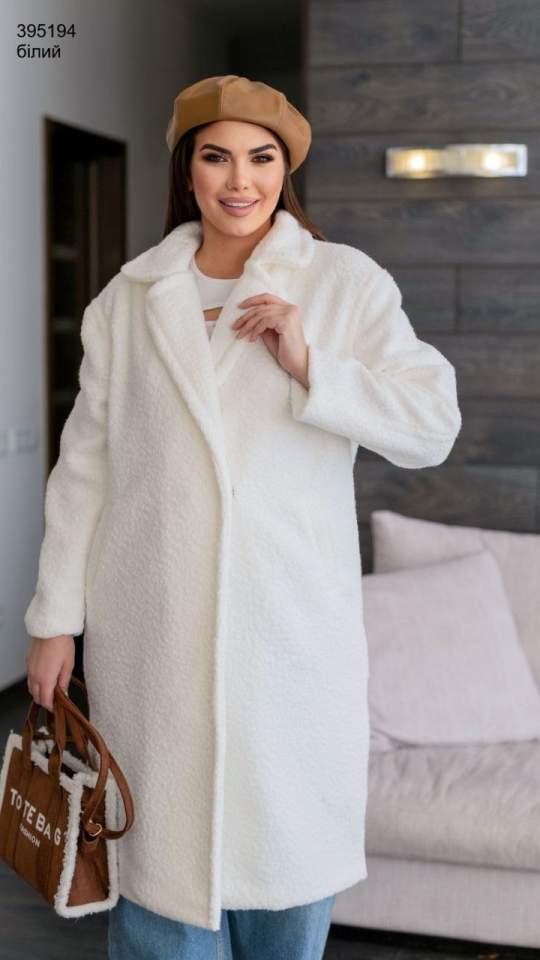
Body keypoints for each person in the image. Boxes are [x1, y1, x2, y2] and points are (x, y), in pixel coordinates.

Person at [24, 75, 462, 959]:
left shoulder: (341, 282)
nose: (239, 181)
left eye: (261, 159)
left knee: (286, 894)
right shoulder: (128, 300)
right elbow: (85, 472)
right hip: (153, 635)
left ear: (285, 170)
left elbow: (432, 424)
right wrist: (54, 621)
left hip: (287, 644)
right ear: (187, 171)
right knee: (157, 891)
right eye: (216, 158)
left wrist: (311, 364)